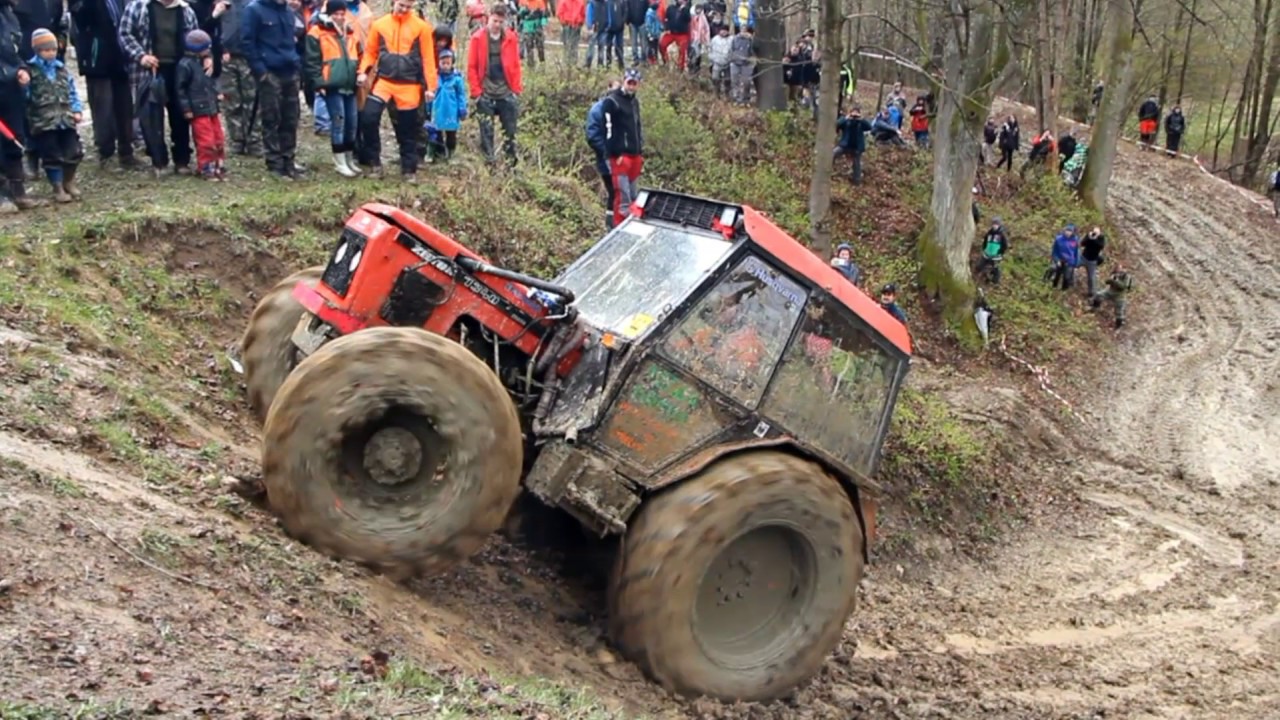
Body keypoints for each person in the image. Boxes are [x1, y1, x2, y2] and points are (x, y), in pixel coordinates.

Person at [118, 0, 201, 176]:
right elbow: (124, 34)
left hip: (179, 69)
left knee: (181, 115)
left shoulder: (186, 10)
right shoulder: (138, 6)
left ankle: (182, 160)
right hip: (149, 70)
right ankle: (159, 162)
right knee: (151, 117)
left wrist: (203, 56)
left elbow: (194, 38)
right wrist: (141, 56)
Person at [359, 0, 437, 181]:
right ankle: (374, 163)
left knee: (407, 129)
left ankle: (408, 170)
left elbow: (428, 59)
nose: (404, 10)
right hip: (384, 81)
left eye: (408, 7)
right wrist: (363, 71)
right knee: (369, 118)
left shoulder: (422, 27)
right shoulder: (379, 25)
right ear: (394, 2)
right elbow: (370, 52)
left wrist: (431, 87)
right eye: (401, 5)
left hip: (410, 85)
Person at [70, 0, 140, 169]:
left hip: (120, 58)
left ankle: (126, 151)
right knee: (103, 109)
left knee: (125, 108)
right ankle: (105, 152)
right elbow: (79, 17)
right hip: (97, 61)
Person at [244, 0, 303, 179]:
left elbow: (293, 40)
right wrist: (260, 71)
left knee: (291, 118)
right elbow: (247, 42)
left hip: (290, 71)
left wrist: (296, 63)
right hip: (269, 72)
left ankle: (289, 161)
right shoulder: (254, 10)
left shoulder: (288, 11)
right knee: (271, 118)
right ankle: (275, 164)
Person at [25, 27, 83, 202]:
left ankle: (69, 181)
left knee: (74, 151)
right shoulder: (31, 71)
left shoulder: (62, 69)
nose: (50, 53)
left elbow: (72, 91)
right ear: (37, 51)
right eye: (46, 50)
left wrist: (77, 109)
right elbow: (26, 97)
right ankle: (57, 186)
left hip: (66, 118)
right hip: (44, 121)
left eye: (53, 50)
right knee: (51, 155)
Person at [305, 0, 361, 177]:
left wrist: (360, 73)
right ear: (329, 14)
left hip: (350, 84)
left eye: (342, 14)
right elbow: (312, 62)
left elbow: (359, 55)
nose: (339, 17)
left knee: (352, 123)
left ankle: (349, 158)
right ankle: (339, 161)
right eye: (336, 14)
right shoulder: (317, 32)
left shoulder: (350, 32)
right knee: (339, 122)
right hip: (332, 84)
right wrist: (319, 83)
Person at [0, 0, 43, 212]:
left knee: (15, 137)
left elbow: (14, 50)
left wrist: (22, 68)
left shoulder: (9, 14)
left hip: (11, 86)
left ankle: (18, 190)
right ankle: (2, 194)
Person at [467, 3, 521, 166]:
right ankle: (489, 166)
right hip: (486, 92)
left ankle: (511, 167)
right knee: (486, 133)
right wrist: (477, 93)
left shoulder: (511, 37)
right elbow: (472, 67)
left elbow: (516, 65)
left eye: (500, 22)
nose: (497, 25)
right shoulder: (477, 38)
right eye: (494, 21)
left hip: (506, 91)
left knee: (510, 134)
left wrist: (516, 89)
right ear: (488, 18)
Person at [175, 28, 226, 179]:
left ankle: (219, 165)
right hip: (198, 109)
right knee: (205, 140)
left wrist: (217, 94)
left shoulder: (205, 63)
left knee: (218, 137)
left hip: (211, 107)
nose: (208, 50)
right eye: (206, 48)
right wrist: (186, 108)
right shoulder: (185, 66)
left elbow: (210, 82)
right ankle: (205, 167)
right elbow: (180, 90)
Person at [595, 68, 643, 227]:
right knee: (623, 197)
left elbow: (637, 126)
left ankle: (626, 226)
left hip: (634, 155)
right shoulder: (612, 101)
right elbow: (607, 129)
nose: (631, 86)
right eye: (629, 82)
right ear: (624, 81)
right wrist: (615, 152)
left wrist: (640, 150)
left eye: (634, 83)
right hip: (620, 156)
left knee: (633, 195)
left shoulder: (634, 102)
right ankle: (619, 229)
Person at [220, 0, 263, 156]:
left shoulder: (255, 5)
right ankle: (237, 140)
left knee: (253, 102)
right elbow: (212, 27)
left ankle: (254, 140)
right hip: (227, 58)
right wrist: (220, 48)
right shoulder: (222, 4)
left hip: (250, 57)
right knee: (232, 102)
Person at [584, 79, 619, 228]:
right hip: (607, 160)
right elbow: (592, 137)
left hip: (625, 159)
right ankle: (611, 227)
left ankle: (621, 225)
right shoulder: (597, 110)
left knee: (625, 194)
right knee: (614, 192)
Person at [429, 48, 467, 161]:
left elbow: (461, 95)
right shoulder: (435, 78)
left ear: (452, 64)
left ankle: (451, 154)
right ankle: (438, 154)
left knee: (451, 134)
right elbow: (430, 94)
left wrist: (462, 109)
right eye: (443, 63)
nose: (445, 66)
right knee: (436, 133)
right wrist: (428, 108)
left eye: (448, 63)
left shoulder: (457, 79)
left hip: (452, 111)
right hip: (438, 110)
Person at [834, 105, 870, 184]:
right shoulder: (846, 120)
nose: (854, 115)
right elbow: (837, 124)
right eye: (853, 113)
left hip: (857, 147)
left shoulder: (861, 123)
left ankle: (856, 181)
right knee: (833, 153)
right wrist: (846, 118)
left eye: (856, 113)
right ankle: (828, 170)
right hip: (845, 145)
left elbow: (869, 127)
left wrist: (861, 119)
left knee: (856, 164)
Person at [658, 0, 690, 71]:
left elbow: (688, 19)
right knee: (662, 44)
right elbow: (667, 18)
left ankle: (680, 68)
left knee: (682, 49)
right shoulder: (671, 8)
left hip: (682, 34)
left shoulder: (686, 9)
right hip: (671, 33)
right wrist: (666, 28)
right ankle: (666, 61)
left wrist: (683, 9)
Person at [976, 217, 1008, 284]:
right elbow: (985, 241)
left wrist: (1000, 252)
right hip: (987, 253)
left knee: (995, 268)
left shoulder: (1002, 235)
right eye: (993, 224)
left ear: (999, 225)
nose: (994, 226)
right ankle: (980, 275)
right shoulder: (989, 233)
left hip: (996, 255)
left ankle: (995, 281)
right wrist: (984, 248)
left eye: (996, 224)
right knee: (980, 265)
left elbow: (1005, 245)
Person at [1049, 223, 1080, 291]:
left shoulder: (1075, 240)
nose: (1068, 233)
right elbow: (1055, 251)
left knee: (1067, 277)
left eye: (1070, 231)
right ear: (1064, 230)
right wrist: (1057, 260)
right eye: (1067, 230)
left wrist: (1076, 265)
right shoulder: (1058, 239)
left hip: (1070, 261)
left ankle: (1063, 291)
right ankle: (1053, 288)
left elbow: (1076, 253)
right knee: (1056, 275)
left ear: (1072, 232)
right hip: (1060, 260)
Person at [727, 22, 752, 105]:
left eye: (745, 29)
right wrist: (732, 59)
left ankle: (746, 98)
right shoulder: (735, 39)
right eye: (742, 29)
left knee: (746, 82)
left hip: (746, 63)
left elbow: (753, 51)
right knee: (735, 81)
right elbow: (731, 50)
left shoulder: (750, 40)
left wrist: (752, 39)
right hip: (735, 62)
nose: (743, 31)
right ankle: (736, 98)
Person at [516, 0, 546, 67]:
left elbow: (544, 15)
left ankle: (542, 63)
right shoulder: (522, 1)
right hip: (527, 27)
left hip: (537, 27)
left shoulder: (540, 1)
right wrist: (524, 11)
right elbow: (519, 15)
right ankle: (531, 65)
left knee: (540, 46)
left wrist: (543, 24)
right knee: (529, 47)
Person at [1080, 226, 1105, 297]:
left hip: (1092, 261)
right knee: (1072, 264)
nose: (1095, 233)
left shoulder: (1101, 238)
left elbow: (1101, 246)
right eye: (1094, 232)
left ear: (1100, 232)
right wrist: (1089, 238)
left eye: (1097, 232)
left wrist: (1094, 239)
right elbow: (1082, 243)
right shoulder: (1089, 235)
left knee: (1091, 278)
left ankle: (1091, 293)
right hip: (1083, 257)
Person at [557, 0, 584, 65]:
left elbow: (583, 14)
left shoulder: (580, 2)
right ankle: (567, 64)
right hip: (567, 26)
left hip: (576, 26)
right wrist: (564, 23)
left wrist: (580, 23)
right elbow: (559, 13)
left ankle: (573, 64)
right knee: (567, 46)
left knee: (574, 47)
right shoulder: (563, 1)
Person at [707, 22, 728, 94]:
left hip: (727, 63)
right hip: (716, 62)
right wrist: (712, 59)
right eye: (722, 30)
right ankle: (716, 94)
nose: (724, 32)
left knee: (727, 80)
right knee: (715, 78)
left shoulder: (731, 40)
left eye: (725, 30)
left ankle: (727, 94)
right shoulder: (714, 39)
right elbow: (709, 50)